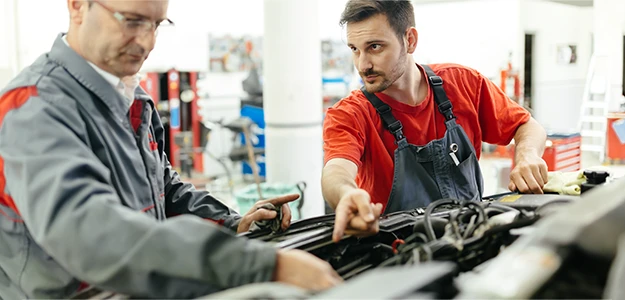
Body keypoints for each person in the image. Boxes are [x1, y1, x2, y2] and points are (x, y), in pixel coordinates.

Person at [0, 0, 341, 299]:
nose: (146, 41)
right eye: (132, 20)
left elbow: (165, 191)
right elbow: (89, 234)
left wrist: (232, 225)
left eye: (156, 24)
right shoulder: (34, 107)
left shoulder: (132, 100)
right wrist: (260, 265)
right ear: (77, 6)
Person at [322, 0, 549, 242]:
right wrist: (346, 193)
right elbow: (336, 171)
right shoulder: (350, 114)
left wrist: (527, 156)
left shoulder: (463, 84)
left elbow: (527, 125)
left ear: (410, 40)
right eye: (355, 49)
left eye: (374, 47)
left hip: (473, 239)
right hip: (398, 253)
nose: (362, 64)